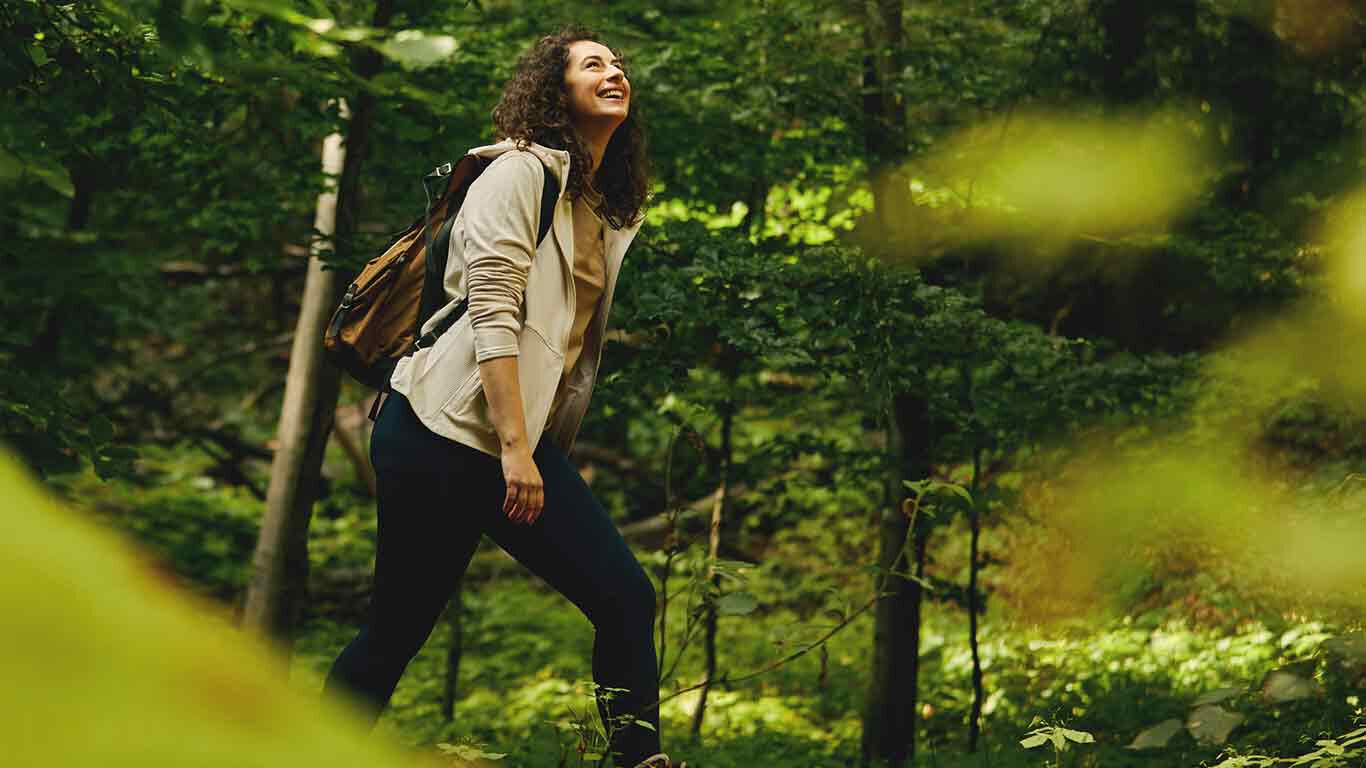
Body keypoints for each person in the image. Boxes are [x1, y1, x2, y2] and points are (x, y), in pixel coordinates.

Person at [323, 26, 684, 768]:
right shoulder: (518, 172)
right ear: (557, 92)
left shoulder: (598, 204)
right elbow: (494, 312)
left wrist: (522, 444)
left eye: (617, 65)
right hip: (443, 428)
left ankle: (638, 761)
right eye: (592, 65)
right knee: (399, 630)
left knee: (621, 598)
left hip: (497, 434)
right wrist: (519, 451)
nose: (613, 72)